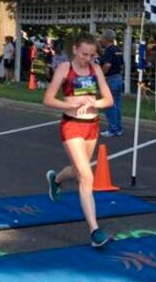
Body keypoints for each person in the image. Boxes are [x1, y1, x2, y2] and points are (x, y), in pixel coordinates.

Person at [43, 32, 115, 248]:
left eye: (92, 55)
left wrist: (95, 103)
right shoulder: (65, 68)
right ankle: (95, 231)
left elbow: (109, 99)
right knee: (86, 177)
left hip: (92, 126)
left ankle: (56, 180)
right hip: (71, 125)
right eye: (84, 54)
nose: (87, 58)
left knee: (77, 171)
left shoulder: (95, 70)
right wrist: (71, 105)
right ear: (75, 49)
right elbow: (47, 99)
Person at [98, 29, 124, 137]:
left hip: (110, 79)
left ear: (106, 39)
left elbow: (107, 65)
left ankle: (112, 129)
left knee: (109, 106)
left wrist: (101, 76)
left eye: (102, 38)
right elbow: (122, 64)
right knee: (117, 105)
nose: (101, 40)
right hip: (118, 78)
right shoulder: (118, 49)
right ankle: (118, 128)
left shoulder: (109, 50)